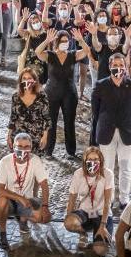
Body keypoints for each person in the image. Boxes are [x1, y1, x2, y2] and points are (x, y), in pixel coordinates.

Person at [92, 54, 131, 208]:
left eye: (121, 65)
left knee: (125, 166)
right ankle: (110, 196)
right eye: (116, 65)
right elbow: (96, 109)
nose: (118, 68)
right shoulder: (100, 85)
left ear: (125, 68)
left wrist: (128, 121)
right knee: (107, 167)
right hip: (106, 131)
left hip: (126, 131)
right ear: (110, 66)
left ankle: (124, 199)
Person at [35, 28, 90, 160]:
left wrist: (81, 40)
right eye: (63, 41)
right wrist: (47, 40)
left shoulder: (73, 55)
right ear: (57, 42)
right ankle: (48, 151)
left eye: (67, 41)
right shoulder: (50, 55)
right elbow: (38, 52)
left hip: (69, 94)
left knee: (69, 122)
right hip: (51, 93)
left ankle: (71, 151)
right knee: (51, 123)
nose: (65, 43)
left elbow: (87, 51)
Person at [0, 132, 52, 249]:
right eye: (19, 147)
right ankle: (2, 234)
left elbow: (44, 185)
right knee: (0, 201)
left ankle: (22, 220)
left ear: (31, 148)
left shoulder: (35, 160)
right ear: (13, 147)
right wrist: (20, 198)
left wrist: (45, 206)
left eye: (26, 147)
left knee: (44, 218)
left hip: (28, 201)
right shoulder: (4, 162)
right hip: (10, 201)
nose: (23, 150)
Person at [65, 146, 114, 256]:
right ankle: (83, 234)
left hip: (102, 215)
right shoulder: (78, 174)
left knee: (100, 251)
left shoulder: (108, 174)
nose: (93, 162)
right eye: (90, 159)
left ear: (100, 160)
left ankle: (100, 234)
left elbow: (107, 202)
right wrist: (69, 217)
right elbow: (72, 197)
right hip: (85, 213)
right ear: (85, 160)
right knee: (69, 222)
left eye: (96, 159)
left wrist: (102, 226)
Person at [7, 66, 50, 150]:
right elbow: (13, 117)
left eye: (29, 78)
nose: (26, 81)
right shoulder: (15, 96)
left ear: (34, 80)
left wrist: (45, 136)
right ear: (21, 80)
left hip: (36, 137)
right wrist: (8, 136)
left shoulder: (42, 96)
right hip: (18, 137)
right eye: (24, 78)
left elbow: (46, 118)